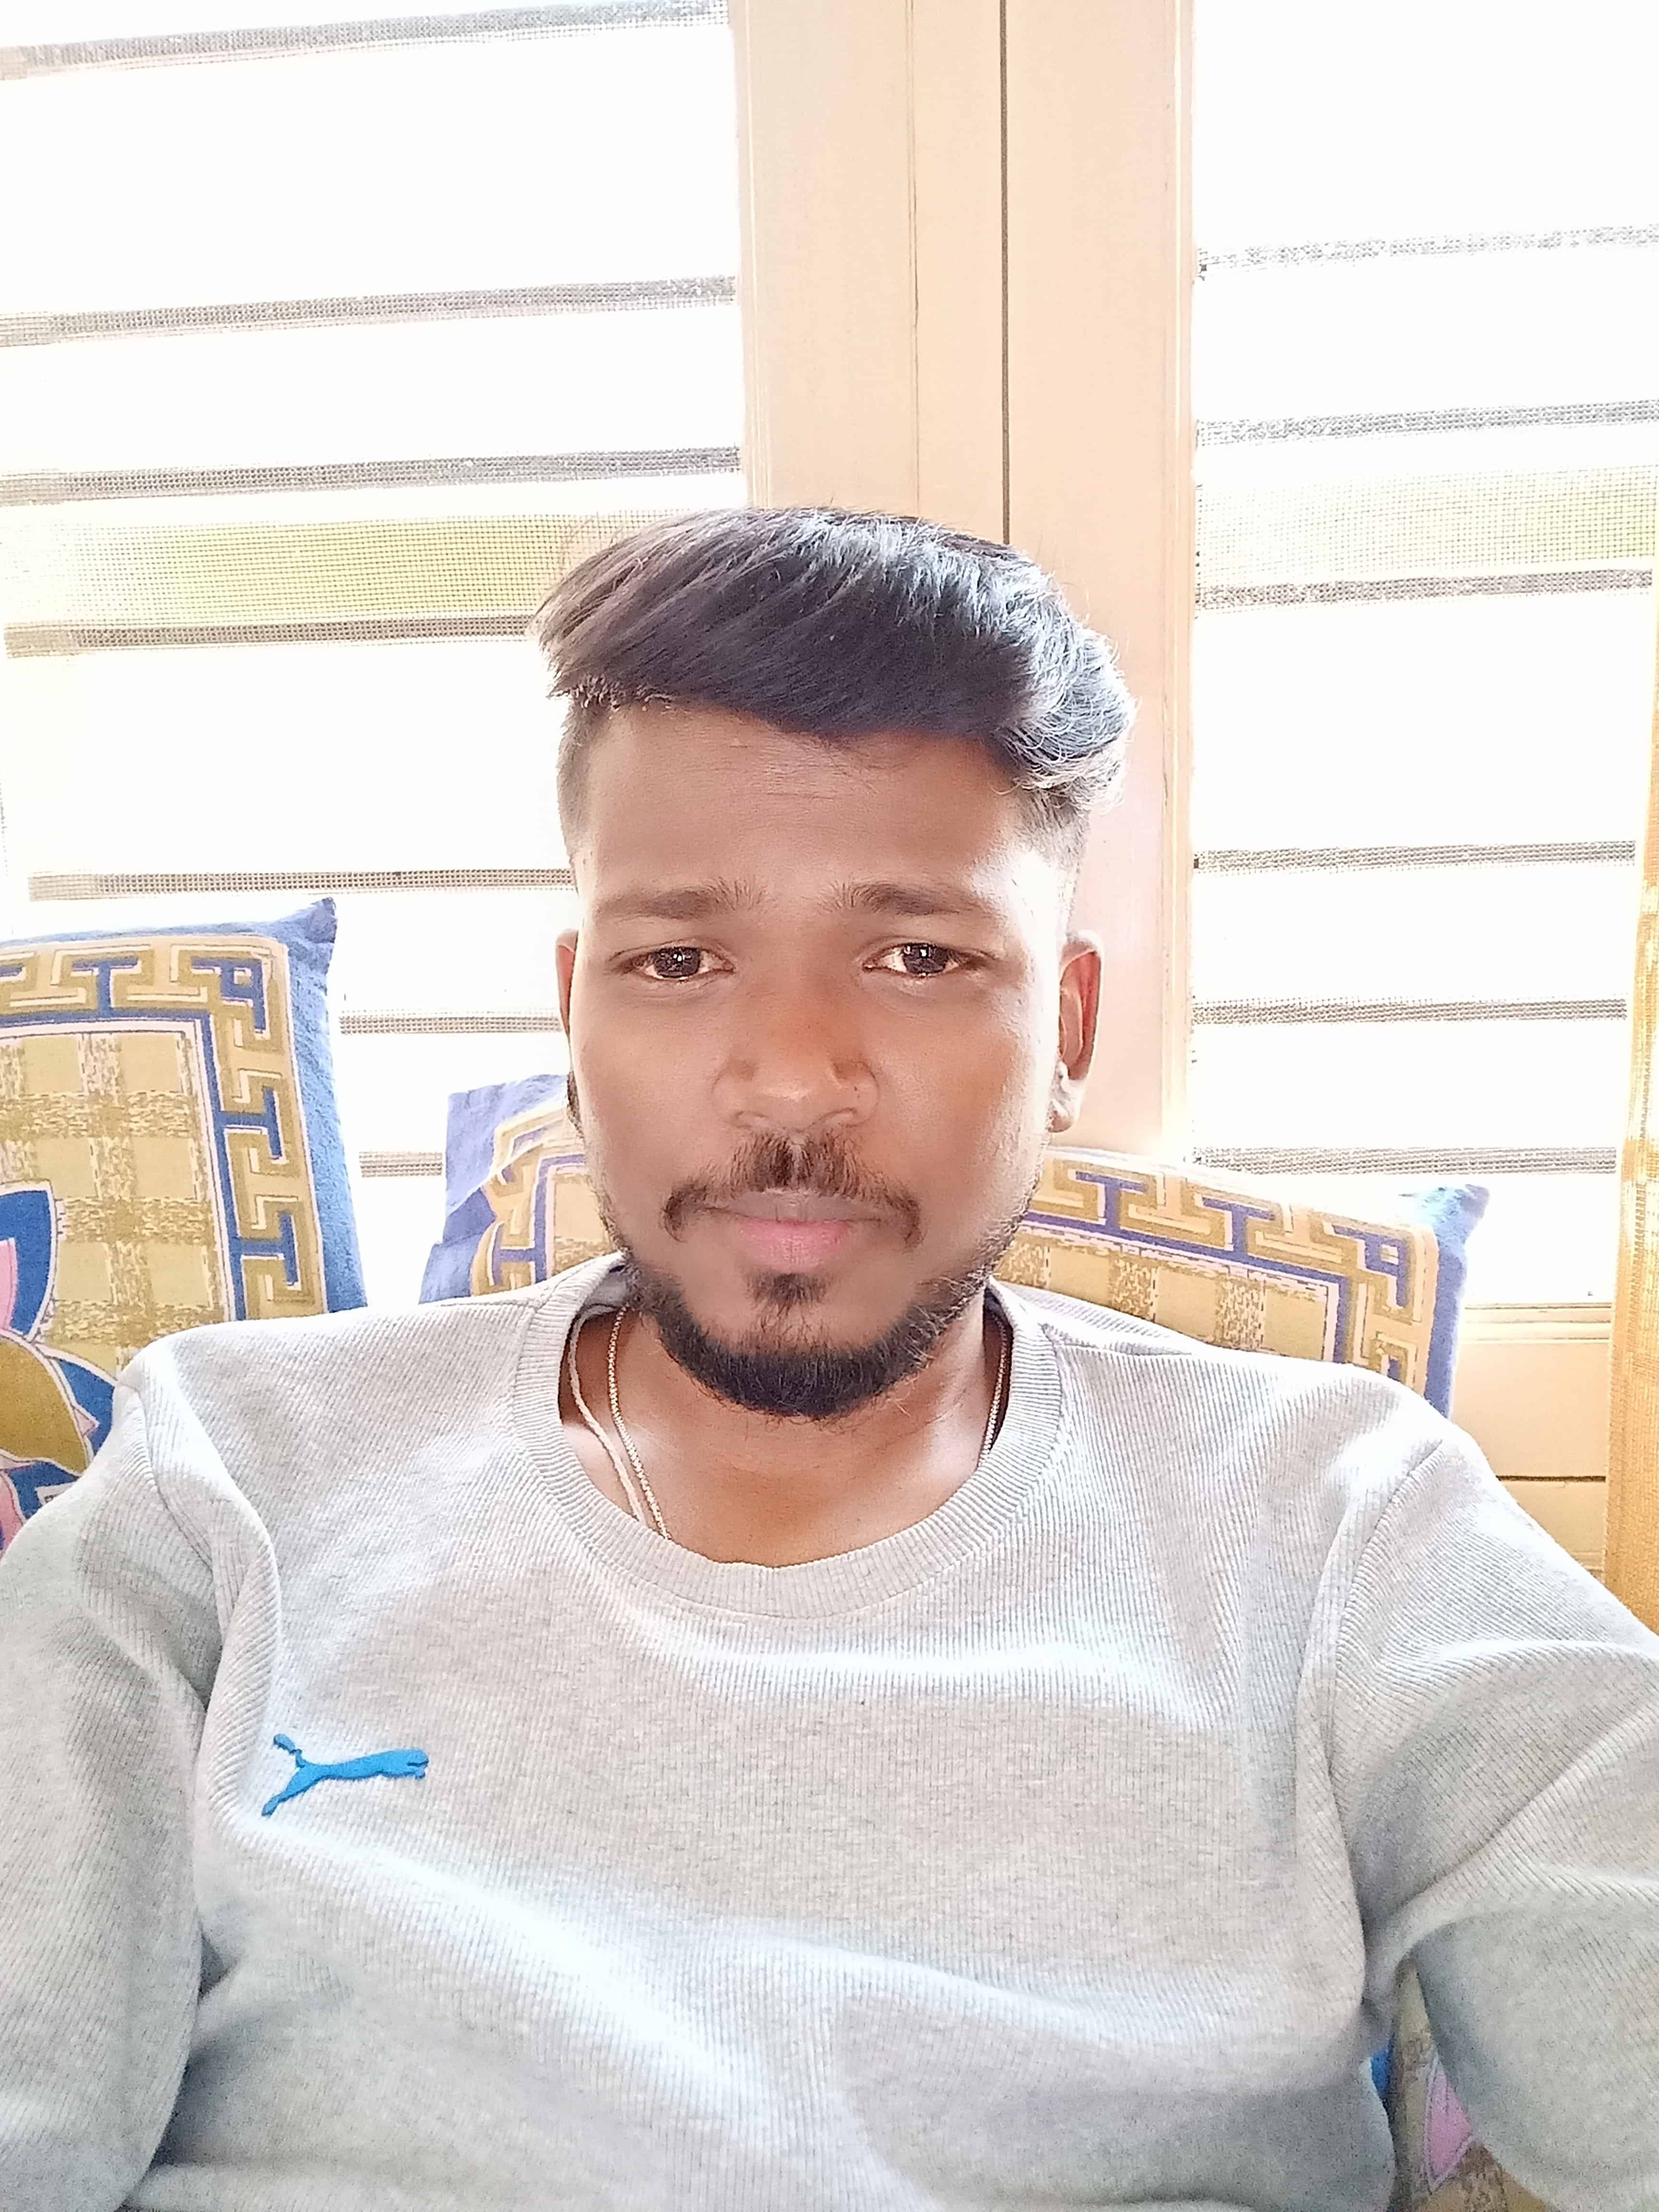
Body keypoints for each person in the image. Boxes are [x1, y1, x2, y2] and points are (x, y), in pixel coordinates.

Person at [1, 507, 1655, 2212]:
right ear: (576, 1011)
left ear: (1067, 1028)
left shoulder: (1340, 1523)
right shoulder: (227, 1481)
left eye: (920, 958)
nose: (793, 1077)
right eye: (679, 961)